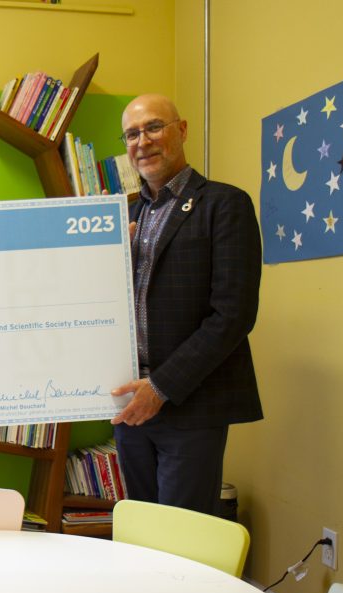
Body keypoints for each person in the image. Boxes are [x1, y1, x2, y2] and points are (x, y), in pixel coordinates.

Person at [109, 94, 263, 515]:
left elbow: (232, 315)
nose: (143, 141)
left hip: (190, 404)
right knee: (140, 529)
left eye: (154, 127)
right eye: (132, 134)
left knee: (180, 540)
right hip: (130, 405)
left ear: (182, 130)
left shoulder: (224, 204)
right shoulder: (125, 216)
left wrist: (159, 389)